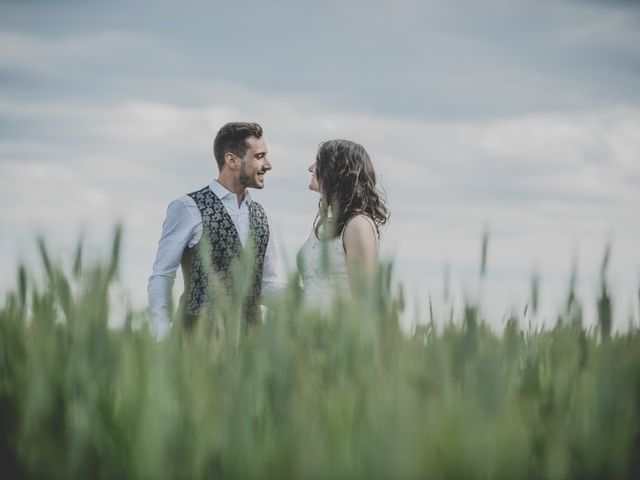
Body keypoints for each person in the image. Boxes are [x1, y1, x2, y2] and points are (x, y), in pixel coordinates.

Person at [148, 122, 283, 341]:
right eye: (259, 156)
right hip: (197, 341)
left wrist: (312, 304)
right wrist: (161, 333)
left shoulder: (260, 215)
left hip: (250, 345)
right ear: (231, 160)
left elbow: (266, 285)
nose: (268, 164)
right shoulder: (188, 207)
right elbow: (163, 273)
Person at [296, 139, 389, 306]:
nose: (311, 168)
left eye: (319, 162)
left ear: (337, 170)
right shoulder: (324, 227)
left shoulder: (358, 225)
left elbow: (366, 300)